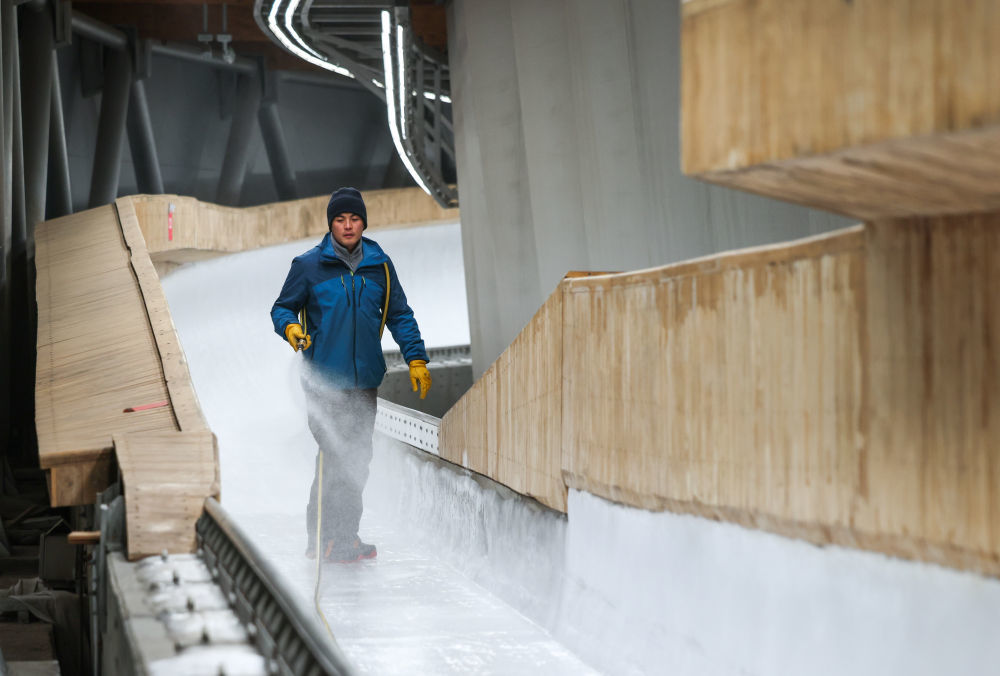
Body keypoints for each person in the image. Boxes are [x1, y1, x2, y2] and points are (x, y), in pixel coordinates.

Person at [270, 187, 432, 563]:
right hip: (323, 381)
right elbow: (282, 308)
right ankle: (331, 538)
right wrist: (291, 329)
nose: (347, 225)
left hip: (364, 383)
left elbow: (400, 315)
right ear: (331, 224)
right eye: (340, 219)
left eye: (354, 219)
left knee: (356, 459)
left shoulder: (380, 265)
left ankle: (338, 536)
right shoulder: (308, 266)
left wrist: (417, 359)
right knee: (336, 455)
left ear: (363, 222)